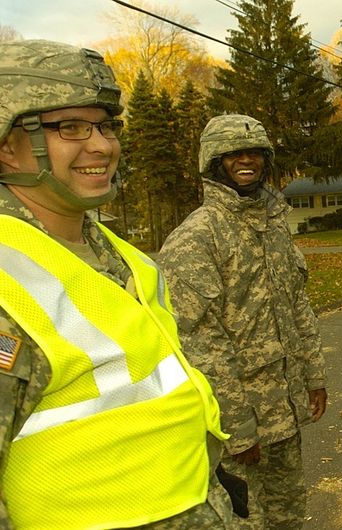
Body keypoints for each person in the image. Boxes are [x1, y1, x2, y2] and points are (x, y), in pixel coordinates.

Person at [0, 39, 235, 529]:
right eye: (69, 127)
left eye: (107, 125)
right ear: (6, 144)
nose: (103, 145)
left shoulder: (120, 254)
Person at [158, 114, 328, 530]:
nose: (246, 161)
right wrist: (236, 429)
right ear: (215, 163)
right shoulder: (196, 237)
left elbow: (297, 305)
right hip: (240, 420)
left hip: (282, 408)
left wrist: (314, 375)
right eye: (234, 154)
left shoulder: (273, 225)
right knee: (248, 519)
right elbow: (199, 343)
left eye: (254, 153)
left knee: (289, 513)